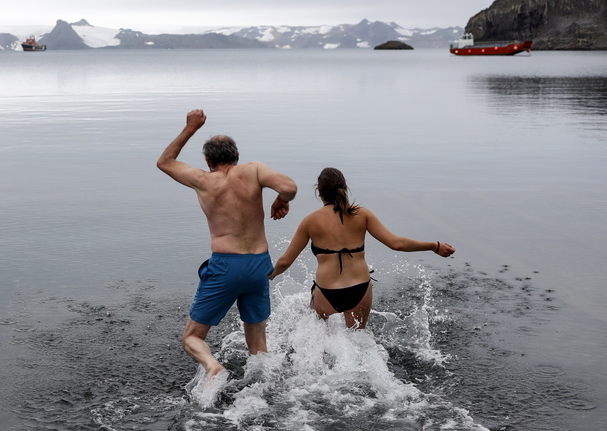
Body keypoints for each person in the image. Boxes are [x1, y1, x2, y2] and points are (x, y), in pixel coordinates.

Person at [157, 109, 298, 381]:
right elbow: (289, 187)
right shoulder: (254, 170)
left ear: (208, 160)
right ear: (236, 157)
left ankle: (213, 366)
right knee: (258, 345)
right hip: (259, 265)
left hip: (226, 265)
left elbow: (164, 162)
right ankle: (264, 385)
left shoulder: (202, 180)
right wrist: (282, 200)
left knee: (192, 338)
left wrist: (191, 128)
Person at [269, 167, 456, 328]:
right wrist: (434, 246)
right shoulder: (362, 214)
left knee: (320, 343)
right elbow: (396, 243)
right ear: (344, 188)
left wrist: (269, 275)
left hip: (326, 291)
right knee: (358, 344)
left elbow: (285, 261)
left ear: (319, 192)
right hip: (359, 288)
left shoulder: (310, 221)